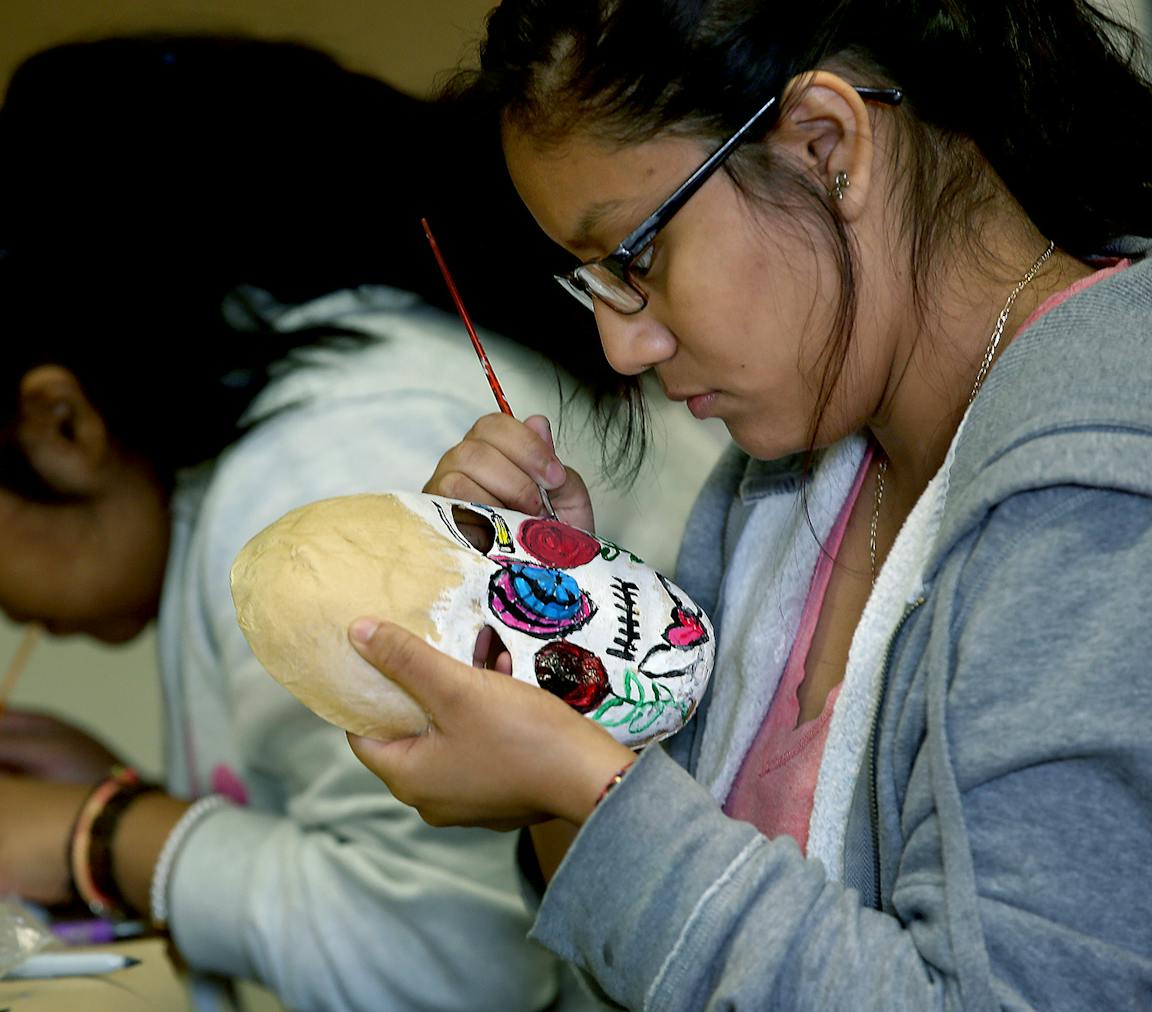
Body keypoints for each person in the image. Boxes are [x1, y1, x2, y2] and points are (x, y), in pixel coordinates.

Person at [0, 34, 725, 1011]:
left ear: (61, 423)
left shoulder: (312, 479)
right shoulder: (265, 428)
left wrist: (107, 835)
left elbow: (459, 963)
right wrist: (129, 805)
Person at [344, 1, 1152, 1008]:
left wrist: (590, 791)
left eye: (636, 259)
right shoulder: (777, 487)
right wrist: (573, 666)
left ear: (825, 144)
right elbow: (665, 962)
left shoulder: (1104, 498)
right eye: (589, 284)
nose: (622, 347)